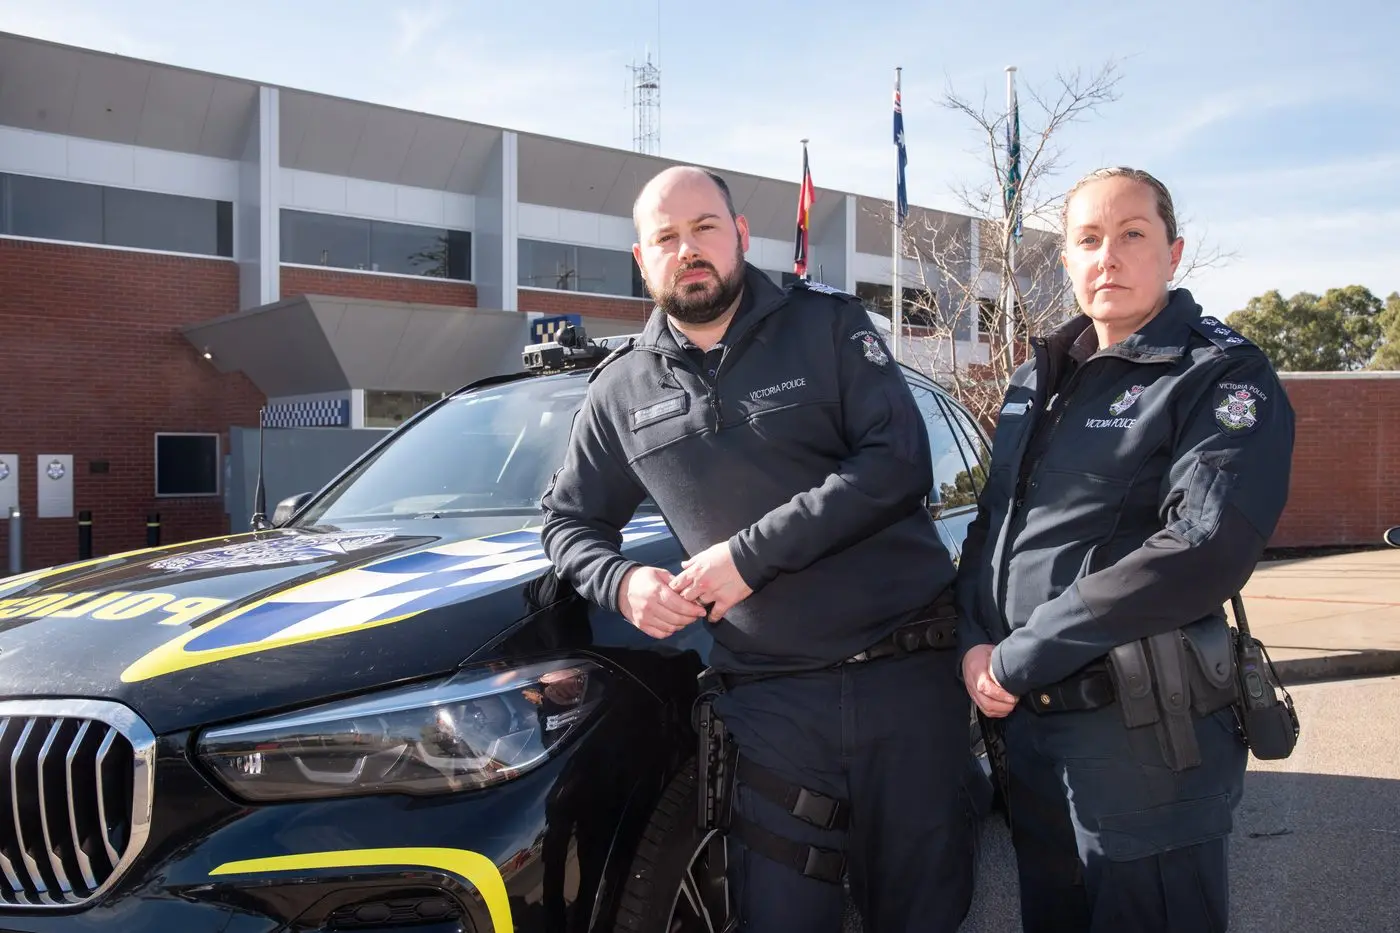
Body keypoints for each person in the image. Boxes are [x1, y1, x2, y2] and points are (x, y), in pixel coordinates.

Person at [541, 165, 977, 932]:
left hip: (904, 681)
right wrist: (622, 584)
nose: (689, 249)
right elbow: (566, 523)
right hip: (772, 707)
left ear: (741, 234)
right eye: (666, 238)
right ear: (642, 261)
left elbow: (895, 463)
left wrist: (748, 557)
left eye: (704, 227)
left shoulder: (829, 326)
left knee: (922, 914)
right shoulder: (618, 390)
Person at [956, 166, 1296, 932]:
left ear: (1173, 253)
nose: (1108, 255)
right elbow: (993, 523)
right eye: (1088, 239)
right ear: (1068, 261)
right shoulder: (1035, 380)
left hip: (1144, 743)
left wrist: (1020, 652)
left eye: (1131, 235)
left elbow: (1201, 547)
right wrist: (975, 639)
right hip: (1031, 736)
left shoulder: (1220, 374)